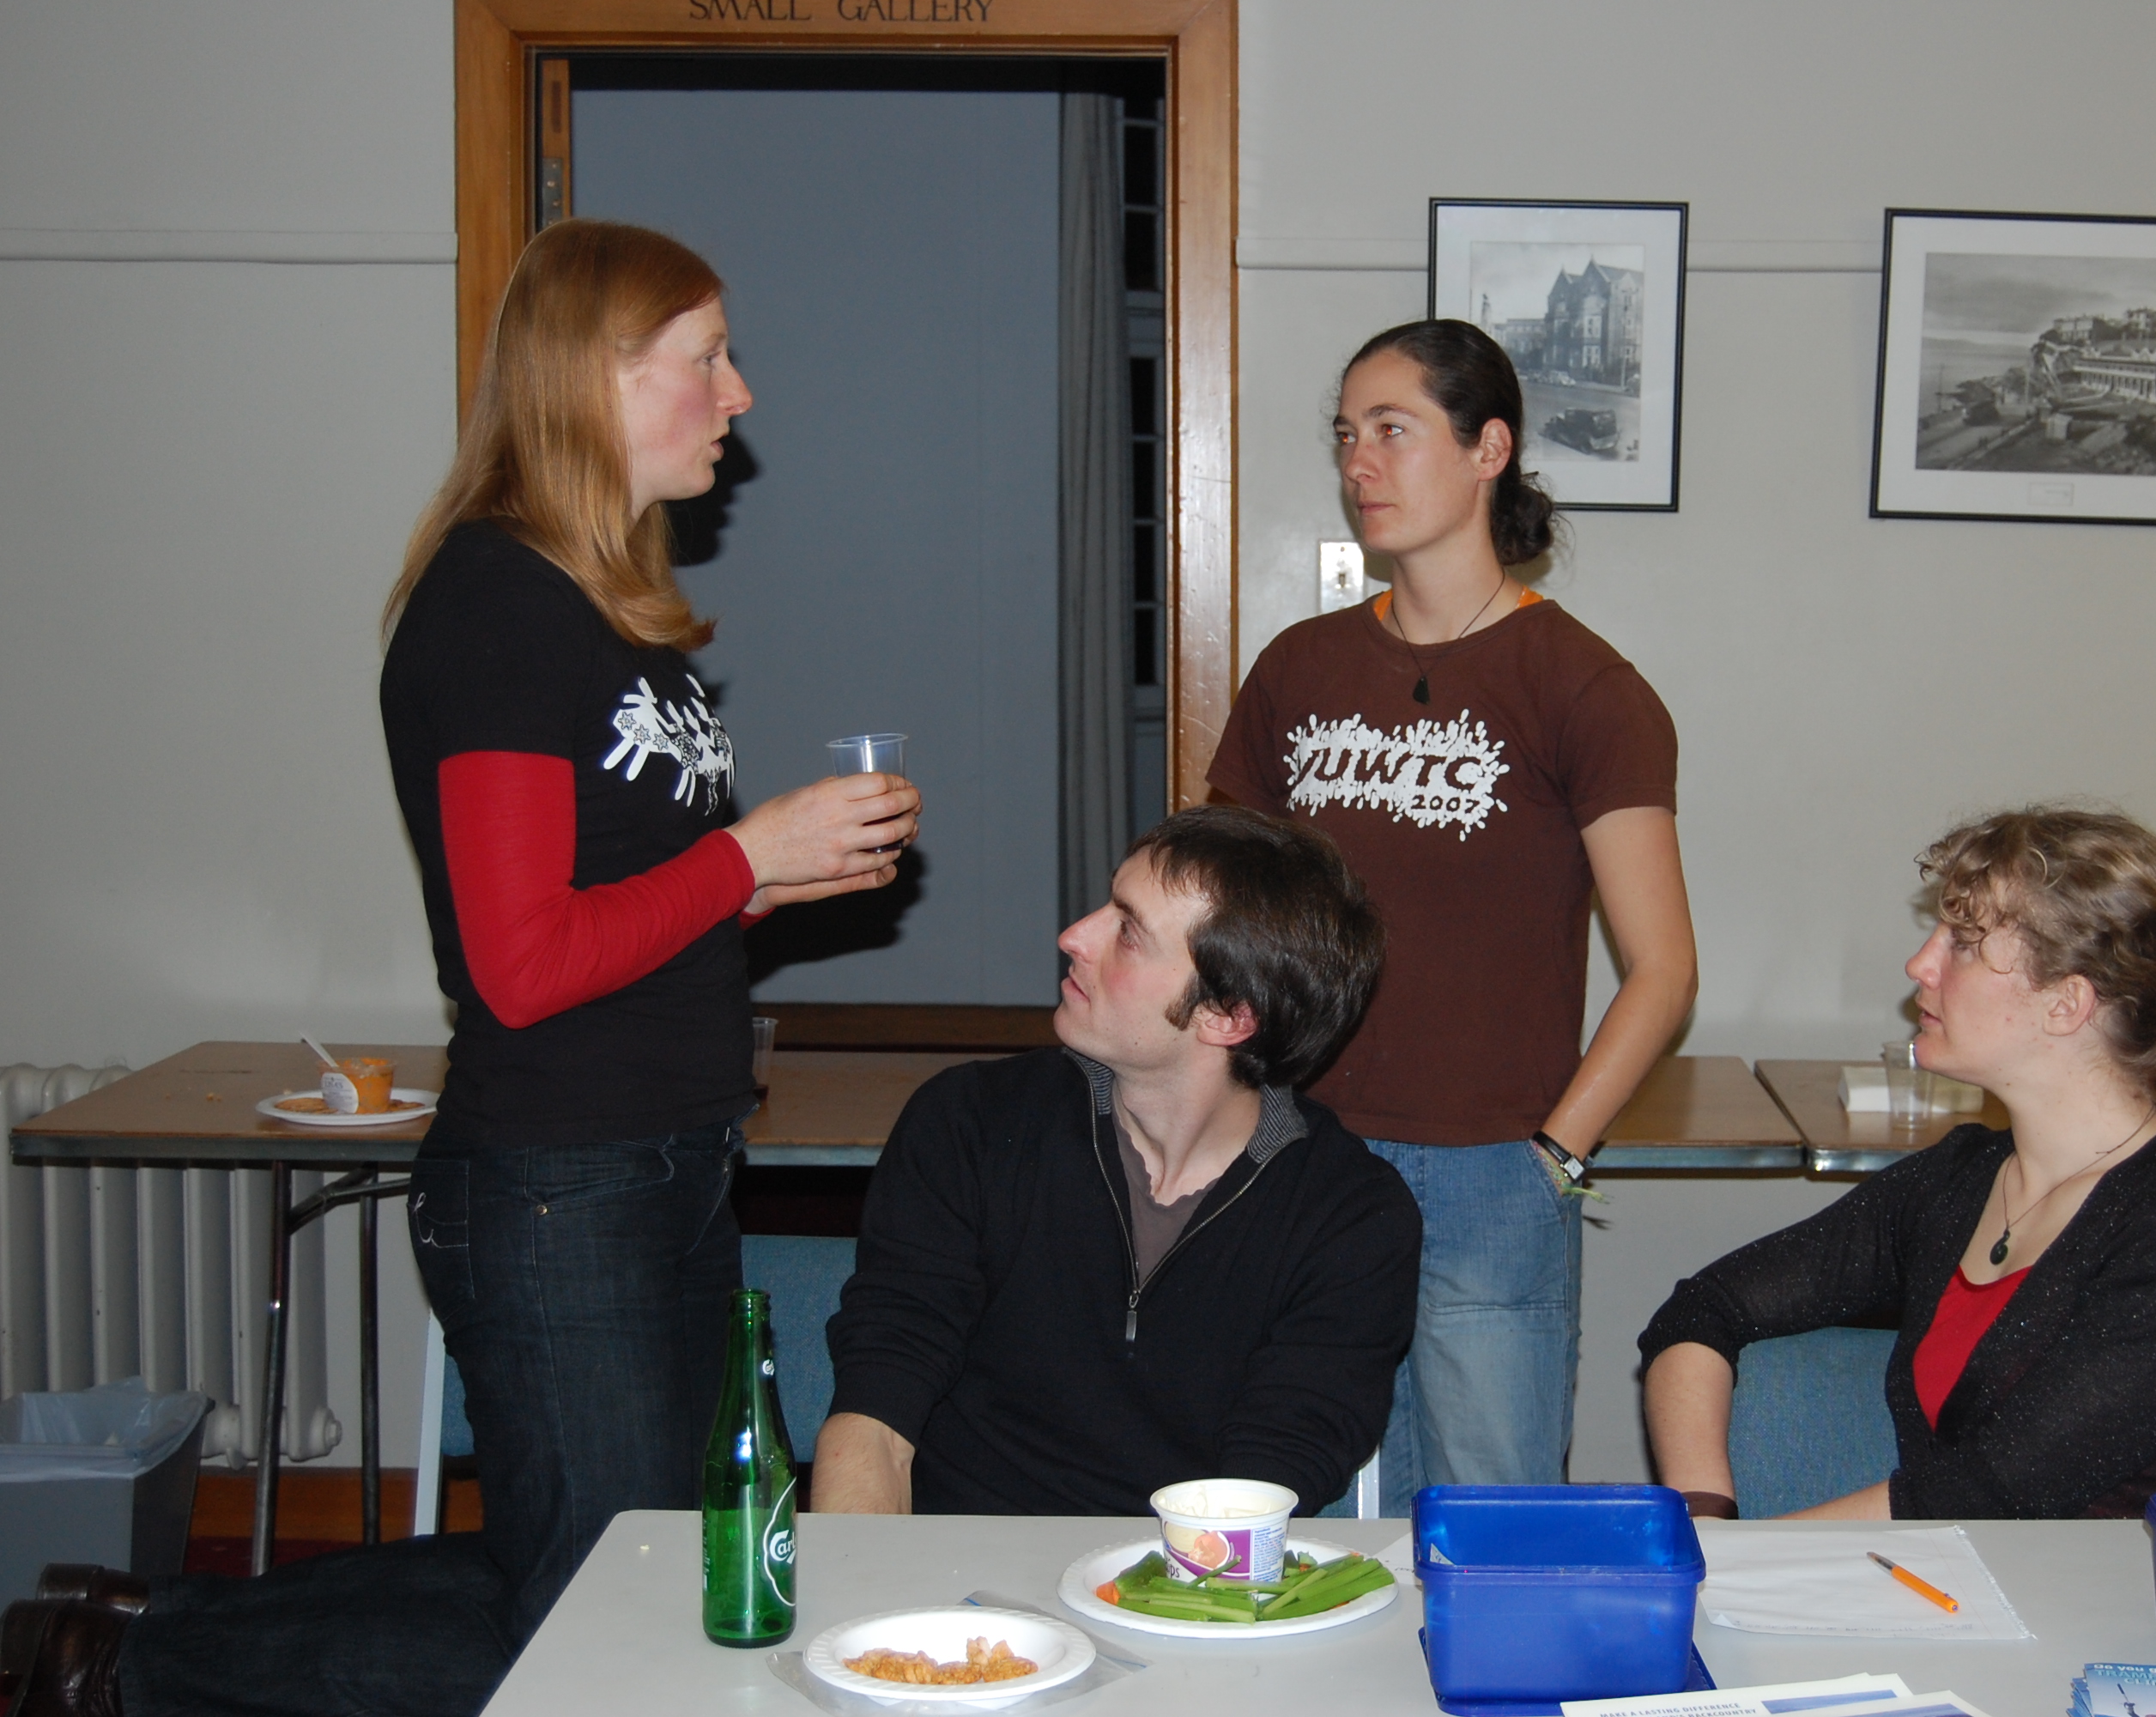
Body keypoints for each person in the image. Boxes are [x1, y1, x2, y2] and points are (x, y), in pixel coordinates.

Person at [3, 218, 925, 1717]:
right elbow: (518, 966)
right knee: (601, 1620)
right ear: (596, 375)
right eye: (705, 357)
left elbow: (616, 915)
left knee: (622, 1574)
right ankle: (132, 1659)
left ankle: (125, 1632)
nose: (739, 392)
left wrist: (765, 881)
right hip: (562, 1185)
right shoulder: (497, 604)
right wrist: (743, 858)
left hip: (665, 1162)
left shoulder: (606, 611)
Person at [1204, 319, 1695, 1511]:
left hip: (1493, 1172)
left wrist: (1554, 1156)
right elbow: (1216, 913)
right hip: (1300, 1148)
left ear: (1488, 450)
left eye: (1393, 429)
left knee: (1492, 1516)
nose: (1359, 462)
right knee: (1306, 1514)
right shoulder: (1298, 669)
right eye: (1345, 435)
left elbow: (1663, 970)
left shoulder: (1583, 687)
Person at [1639, 807, 2156, 1520]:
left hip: (2129, 1591)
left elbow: (1991, 1494)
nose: (1919, 965)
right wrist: (1704, 1519)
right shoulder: (1957, 1182)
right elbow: (1704, 1310)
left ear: (2066, 1004)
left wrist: (1746, 1563)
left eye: (1962, 943)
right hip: (1952, 1578)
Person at [811, 805, 1420, 1516]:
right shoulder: (971, 1123)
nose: (1074, 936)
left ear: (1229, 1015)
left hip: (1184, 1570)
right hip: (957, 1568)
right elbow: (876, 1414)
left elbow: (1265, 1489)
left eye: (1128, 932)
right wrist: (863, 1585)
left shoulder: (1350, 1217)